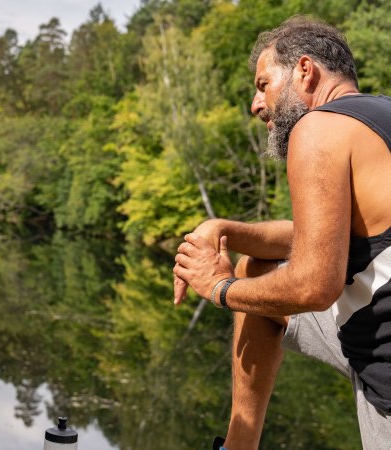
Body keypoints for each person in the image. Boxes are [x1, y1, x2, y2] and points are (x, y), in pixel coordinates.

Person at [172, 16, 391, 450]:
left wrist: (219, 287)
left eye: (262, 83)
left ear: (304, 71)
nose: (256, 104)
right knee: (257, 269)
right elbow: (322, 235)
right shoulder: (376, 120)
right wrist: (225, 230)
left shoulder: (319, 128)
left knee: (251, 282)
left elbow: (314, 284)